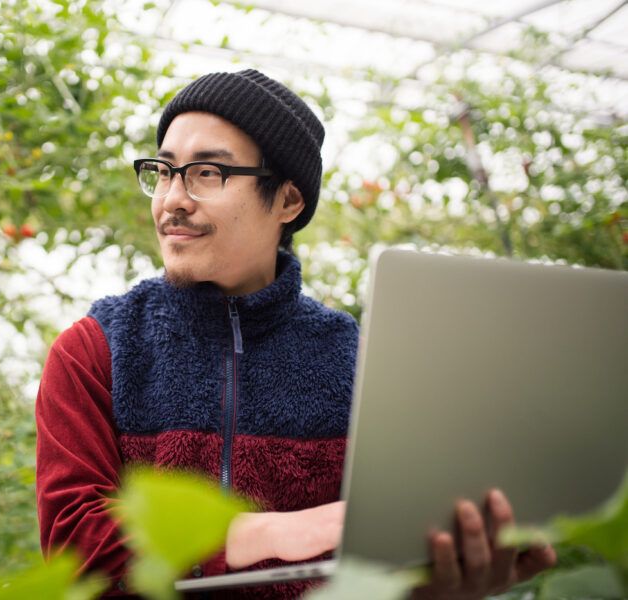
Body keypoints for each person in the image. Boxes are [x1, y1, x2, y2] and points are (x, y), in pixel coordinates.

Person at [34, 69, 556, 598]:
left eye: (206, 173)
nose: (172, 199)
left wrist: (445, 582)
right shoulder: (95, 351)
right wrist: (278, 531)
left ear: (287, 201)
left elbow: (384, 566)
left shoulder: (359, 364)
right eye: (164, 171)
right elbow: (77, 548)